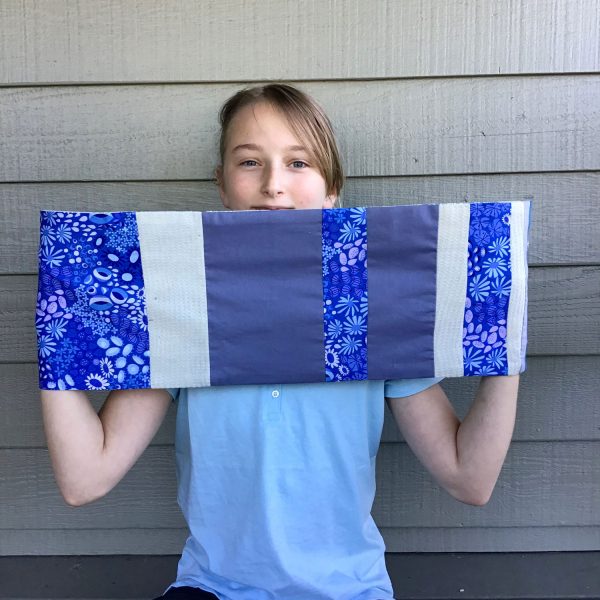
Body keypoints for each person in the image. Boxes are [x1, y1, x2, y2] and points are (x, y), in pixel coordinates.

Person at [40, 83, 520, 600]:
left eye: (299, 162)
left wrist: (502, 338)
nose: (274, 185)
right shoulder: (178, 311)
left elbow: (470, 480)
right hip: (212, 589)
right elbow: (84, 479)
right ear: (222, 184)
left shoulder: (376, 310)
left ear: (331, 188)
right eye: (250, 162)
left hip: (349, 593)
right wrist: (59, 327)